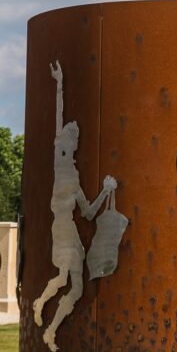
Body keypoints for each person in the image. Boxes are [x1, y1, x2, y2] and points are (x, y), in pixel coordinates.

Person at [33, 61, 116, 352]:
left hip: (71, 230)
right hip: (61, 229)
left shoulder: (75, 177)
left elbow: (90, 213)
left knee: (75, 286)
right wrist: (59, 83)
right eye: (72, 137)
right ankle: (42, 304)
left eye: (75, 139)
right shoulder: (60, 162)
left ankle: (50, 330)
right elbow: (58, 116)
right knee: (64, 277)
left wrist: (106, 192)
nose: (74, 143)